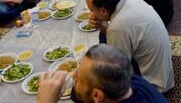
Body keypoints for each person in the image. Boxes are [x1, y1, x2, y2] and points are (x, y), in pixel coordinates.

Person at [85, 0, 174, 93]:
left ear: (103, 11)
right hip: (164, 71)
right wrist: (101, 26)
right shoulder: (133, 0)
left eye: (91, 10)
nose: (91, 14)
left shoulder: (117, 27)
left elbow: (119, 68)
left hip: (153, 84)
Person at [36, 44, 169, 103]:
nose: (73, 76)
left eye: (78, 78)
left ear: (97, 95)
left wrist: (45, 101)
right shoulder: (129, 80)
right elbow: (80, 97)